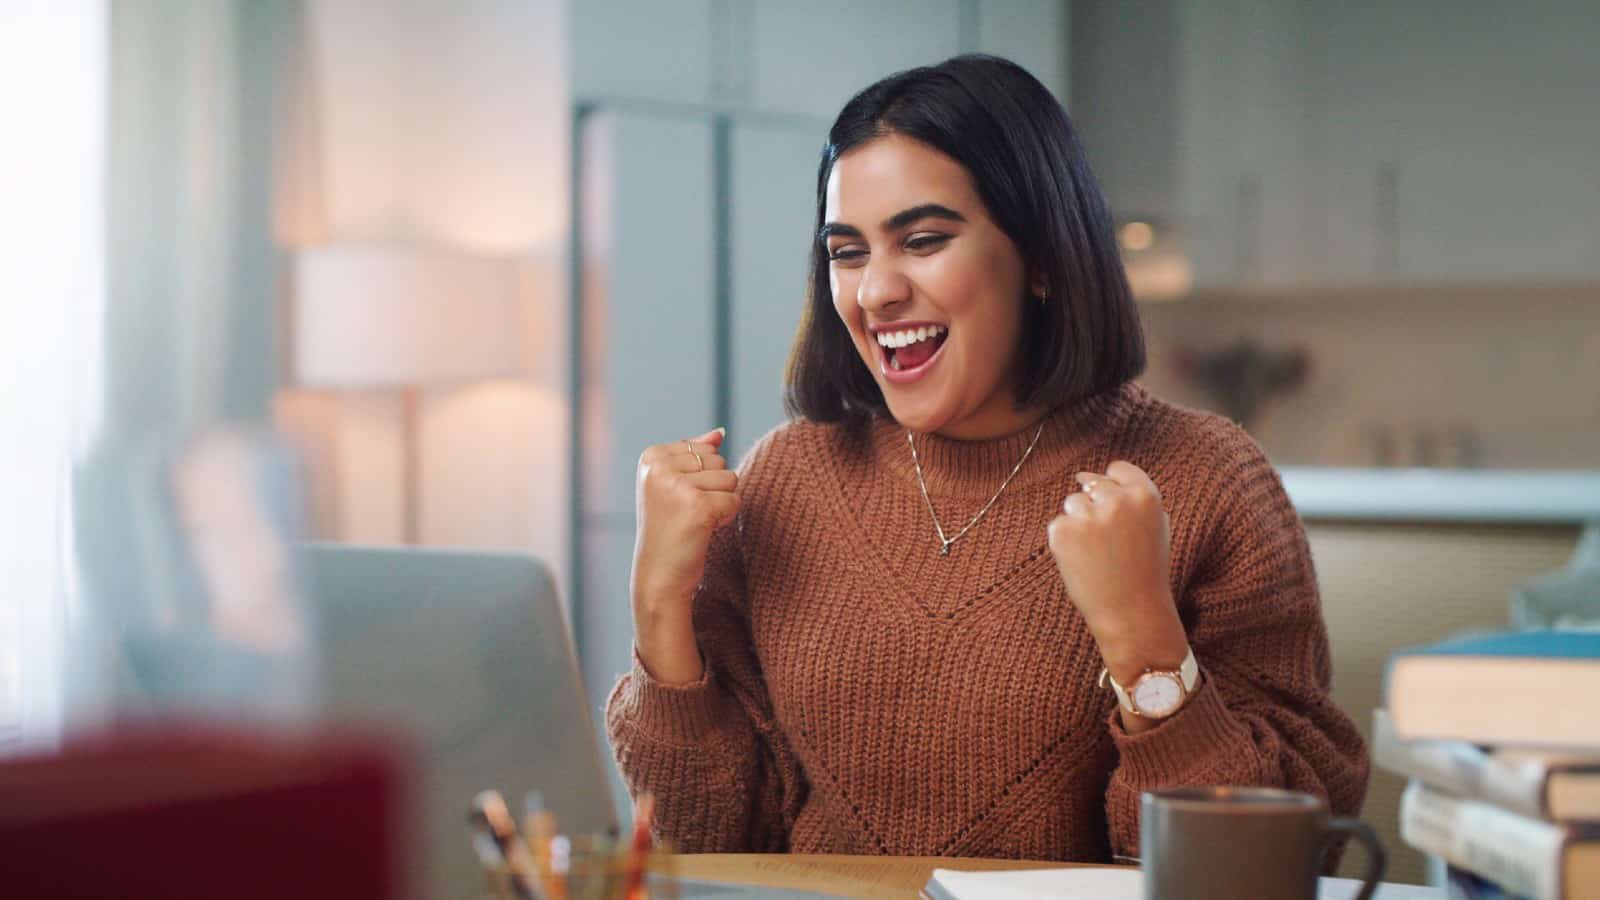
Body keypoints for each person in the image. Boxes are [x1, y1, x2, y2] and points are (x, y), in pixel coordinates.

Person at [605, 54, 1368, 863]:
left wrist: (1144, 639)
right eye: (847, 251)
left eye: (923, 240)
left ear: (1041, 256)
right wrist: (658, 606)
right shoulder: (784, 480)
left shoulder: (1209, 479)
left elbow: (1272, 863)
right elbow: (704, 845)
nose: (875, 292)